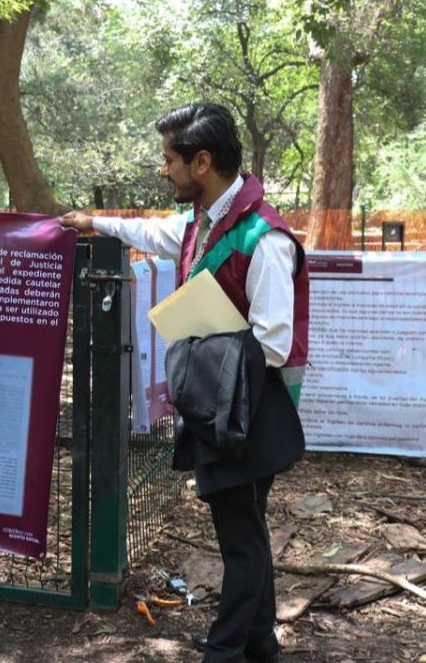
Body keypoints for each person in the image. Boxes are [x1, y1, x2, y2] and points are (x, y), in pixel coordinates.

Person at [61, 102, 308, 663]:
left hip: (246, 408)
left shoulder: (264, 239)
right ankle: (260, 642)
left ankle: (225, 649)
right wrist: (93, 222)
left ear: (201, 162)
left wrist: (199, 344)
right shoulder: (210, 220)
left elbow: (273, 341)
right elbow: (157, 231)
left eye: (169, 160)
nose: (163, 170)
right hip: (227, 399)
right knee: (247, 530)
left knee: (240, 539)